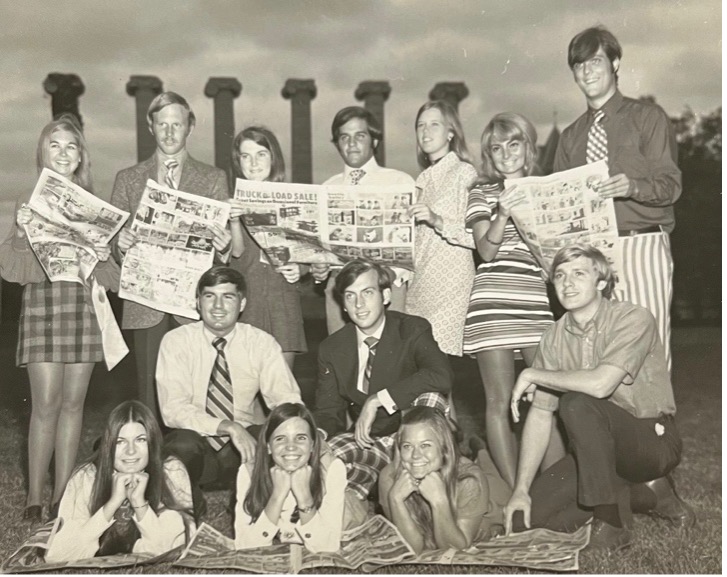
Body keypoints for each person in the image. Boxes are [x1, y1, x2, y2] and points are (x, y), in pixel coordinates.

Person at [503, 245, 694, 551]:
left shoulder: (633, 317)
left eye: (579, 274)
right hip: (596, 454)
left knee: (577, 402)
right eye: (560, 275)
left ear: (601, 282)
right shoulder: (553, 337)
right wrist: (521, 489)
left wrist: (532, 374)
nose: (567, 283)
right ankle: (651, 495)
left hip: (650, 442)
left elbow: (602, 385)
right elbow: (540, 415)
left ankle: (612, 523)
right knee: (525, 522)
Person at [0, 115, 117, 523]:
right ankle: (34, 497)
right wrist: (18, 232)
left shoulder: (95, 207)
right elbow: (12, 271)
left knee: (73, 406)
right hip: (43, 309)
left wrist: (105, 256)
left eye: (71, 146)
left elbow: (112, 278)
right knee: (45, 404)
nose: (63, 152)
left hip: (81, 309)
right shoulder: (28, 202)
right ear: (43, 152)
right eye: (55, 145)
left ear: (81, 155)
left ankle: (63, 497)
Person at [553, 26, 681, 371]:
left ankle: (658, 425)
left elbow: (671, 185)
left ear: (615, 63)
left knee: (649, 347)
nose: (587, 71)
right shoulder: (570, 137)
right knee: (596, 354)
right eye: (579, 65)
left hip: (640, 243)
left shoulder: (648, 118)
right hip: (590, 254)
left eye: (595, 61)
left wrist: (632, 187)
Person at [110, 91, 232, 423]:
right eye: (161, 124)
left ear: (189, 126)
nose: (168, 132)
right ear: (150, 127)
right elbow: (110, 248)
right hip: (145, 304)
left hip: (192, 308)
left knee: (196, 394)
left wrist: (223, 246)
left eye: (176, 124)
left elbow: (222, 261)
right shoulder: (128, 179)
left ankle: (191, 468)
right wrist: (119, 245)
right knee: (149, 397)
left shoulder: (213, 179)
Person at [156, 265, 302, 518]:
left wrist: (286, 434)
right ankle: (186, 511)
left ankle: (251, 508)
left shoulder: (261, 342)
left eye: (228, 297)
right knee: (182, 443)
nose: (218, 306)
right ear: (197, 303)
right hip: (197, 447)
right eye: (209, 296)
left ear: (242, 303)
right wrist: (228, 426)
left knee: (270, 436)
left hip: (241, 453)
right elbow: (173, 410)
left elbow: (287, 401)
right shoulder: (176, 341)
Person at [313, 259, 453, 506]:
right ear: (342, 304)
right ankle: (354, 505)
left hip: (415, 444)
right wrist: (316, 437)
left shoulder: (411, 328)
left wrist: (377, 400)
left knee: (432, 397)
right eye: (350, 296)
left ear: (386, 295)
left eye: (367, 293)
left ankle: (429, 497)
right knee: (326, 458)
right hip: (370, 442)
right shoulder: (332, 348)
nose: (359, 305)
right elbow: (328, 411)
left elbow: (440, 375)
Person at [463, 113, 555, 488]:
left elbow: (554, 256)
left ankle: (555, 489)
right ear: (489, 155)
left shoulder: (547, 189)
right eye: (496, 148)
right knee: (499, 403)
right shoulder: (481, 193)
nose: (505, 154)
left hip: (534, 304)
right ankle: (518, 492)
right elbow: (485, 251)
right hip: (494, 304)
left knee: (545, 401)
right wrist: (503, 212)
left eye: (513, 144)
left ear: (528, 147)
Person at [45, 401, 194, 562]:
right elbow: (56, 555)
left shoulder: (171, 471)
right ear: (109, 445)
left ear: (152, 443)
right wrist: (111, 504)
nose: (130, 451)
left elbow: (171, 548)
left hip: (165, 502)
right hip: (89, 503)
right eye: (120, 441)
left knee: (175, 520)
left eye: (140, 440)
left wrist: (139, 503)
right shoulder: (86, 476)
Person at [312, 106, 415, 334]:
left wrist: (387, 275)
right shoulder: (328, 188)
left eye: (360, 136)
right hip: (340, 292)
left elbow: (413, 248)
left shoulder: (400, 182)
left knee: (390, 366)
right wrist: (318, 269)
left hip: (385, 286)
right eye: (344, 137)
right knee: (343, 364)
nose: (351, 144)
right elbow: (320, 249)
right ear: (337, 143)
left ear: (374, 141)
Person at [227, 126, 307, 372]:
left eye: (261, 154)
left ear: (273, 158)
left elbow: (308, 251)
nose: (253, 163)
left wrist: (300, 269)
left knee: (283, 394)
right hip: (247, 306)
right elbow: (237, 254)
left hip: (282, 303)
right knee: (245, 398)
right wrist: (233, 219)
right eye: (245, 156)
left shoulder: (294, 199)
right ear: (238, 162)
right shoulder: (231, 202)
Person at [378, 407, 510, 554]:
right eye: (407, 446)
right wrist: (395, 499)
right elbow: (412, 549)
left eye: (425, 445)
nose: (415, 455)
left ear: (444, 448)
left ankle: (481, 451)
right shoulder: (388, 478)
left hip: (493, 498)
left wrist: (439, 501)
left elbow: (456, 548)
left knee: (490, 473)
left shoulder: (469, 479)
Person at [405, 100, 477, 357]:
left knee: (440, 367)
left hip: (451, 287)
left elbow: (478, 236)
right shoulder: (421, 180)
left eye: (434, 124)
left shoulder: (464, 172)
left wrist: (437, 220)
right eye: (420, 125)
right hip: (419, 286)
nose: (426, 131)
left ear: (451, 132)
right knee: (423, 372)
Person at [235, 403, 346, 553]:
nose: (291, 446)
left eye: (300, 438)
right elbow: (245, 547)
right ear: (268, 446)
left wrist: (304, 496)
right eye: (280, 439)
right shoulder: (249, 471)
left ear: (312, 444)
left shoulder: (332, 468)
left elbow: (327, 547)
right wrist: (277, 496)